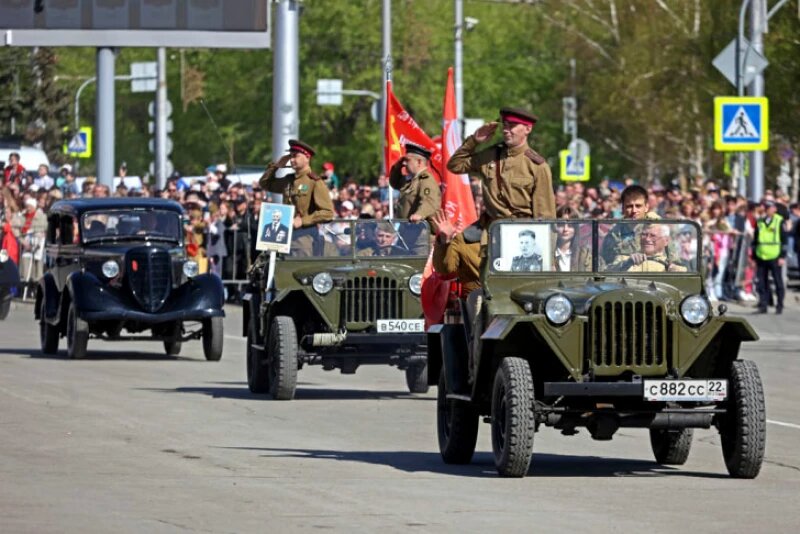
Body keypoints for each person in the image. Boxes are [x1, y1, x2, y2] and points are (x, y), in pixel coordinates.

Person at [446, 107, 555, 224]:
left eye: (512, 125)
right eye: (505, 125)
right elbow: (455, 165)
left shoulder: (537, 166)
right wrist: (474, 140)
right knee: (455, 242)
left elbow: (545, 214)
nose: (505, 130)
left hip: (520, 230)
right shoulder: (491, 155)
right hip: (490, 229)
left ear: (528, 129)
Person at [259, 139, 334, 257]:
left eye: (295, 156)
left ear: (307, 157)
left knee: (300, 273)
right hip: (283, 235)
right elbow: (265, 184)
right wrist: (276, 166)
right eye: (290, 156)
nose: (292, 159)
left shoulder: (314, 181)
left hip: (303, 238)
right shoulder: (288, 180)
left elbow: (328, 213)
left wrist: (303, 221)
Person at [600, 184, 661, 266]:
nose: (634, 210)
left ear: (646, 207)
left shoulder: (657, 227)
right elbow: (606, 264)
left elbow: (672, 258)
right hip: (624, 276)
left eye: (638, 206)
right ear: (622, 208)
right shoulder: (614, 233)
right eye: (629, 206)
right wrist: (627, 262)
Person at [430, 209, 481, 297]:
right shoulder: (464, 239)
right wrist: (445, 240)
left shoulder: (511, 230)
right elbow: (444, 269)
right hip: (478, 297)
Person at [389, 143, 441, 228]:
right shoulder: (410, 180)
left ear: (419, 162)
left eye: (407, 160)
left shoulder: (426, 180)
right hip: (407, 230)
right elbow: (394, 183)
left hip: (420, 233)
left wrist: (419, 214)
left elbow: (429, 200)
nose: (404, 163)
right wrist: (398, 166)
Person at [607, 223, 687, 272]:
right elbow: (608, 273)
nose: (647, 239)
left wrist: (674, 273)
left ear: (665, 241)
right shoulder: (624, 259)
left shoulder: (673, 266)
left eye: (653, 236)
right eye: (644, 235)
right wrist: (628, 263)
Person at [752, 200, 786, 314]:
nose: (768, 209)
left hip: (775, 255)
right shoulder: (760, 222)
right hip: (761, 255)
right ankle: (763, 304)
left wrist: (782, 256)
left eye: (770, 207)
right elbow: (755, 239)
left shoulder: (779, 221)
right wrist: (753, 256)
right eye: (766, 207)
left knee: (777, 281)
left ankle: (779, 305)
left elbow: (784, 240)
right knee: (762, 282)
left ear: (774, 209)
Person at [553, 206, 591, 272]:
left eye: (570, 225)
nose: (565, 229)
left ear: (575, 228)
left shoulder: (585, 254)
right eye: (561, 224)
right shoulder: (548, 254)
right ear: (555, 227)